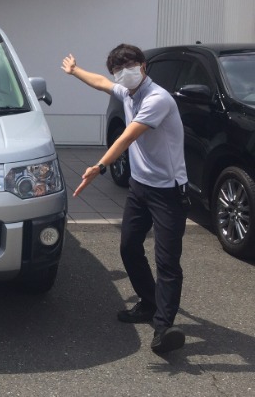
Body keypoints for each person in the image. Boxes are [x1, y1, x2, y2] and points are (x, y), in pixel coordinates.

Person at [61, 44, 189, 354]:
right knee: (129, 247)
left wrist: (100, 166)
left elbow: (128, 136)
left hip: (168, 191)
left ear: (143, 66)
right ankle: (149, 302)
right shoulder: (128, 92)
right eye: (118, 70)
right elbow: (101, 83)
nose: (123, 74)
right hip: (140, 187)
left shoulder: (157, 98)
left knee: (167, 261)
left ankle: (163, 328)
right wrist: (75, 71)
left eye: (128, 66)